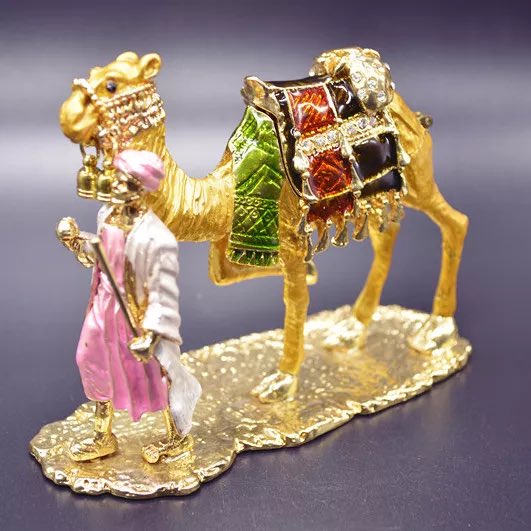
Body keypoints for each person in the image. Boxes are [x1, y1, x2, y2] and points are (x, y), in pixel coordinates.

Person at [56, 149, 201, 464]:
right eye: (118, 179)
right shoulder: (107, 215)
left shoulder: (157, 237)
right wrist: (77, 242)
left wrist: (152, 335)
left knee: (155, 374)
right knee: (90, 360)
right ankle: (103, 436)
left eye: (126, 182)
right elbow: (103, 258)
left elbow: (163, 292)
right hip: (104, 306)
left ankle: (178, 437)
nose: (117, 186)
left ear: (142, 189)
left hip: (137, 317)